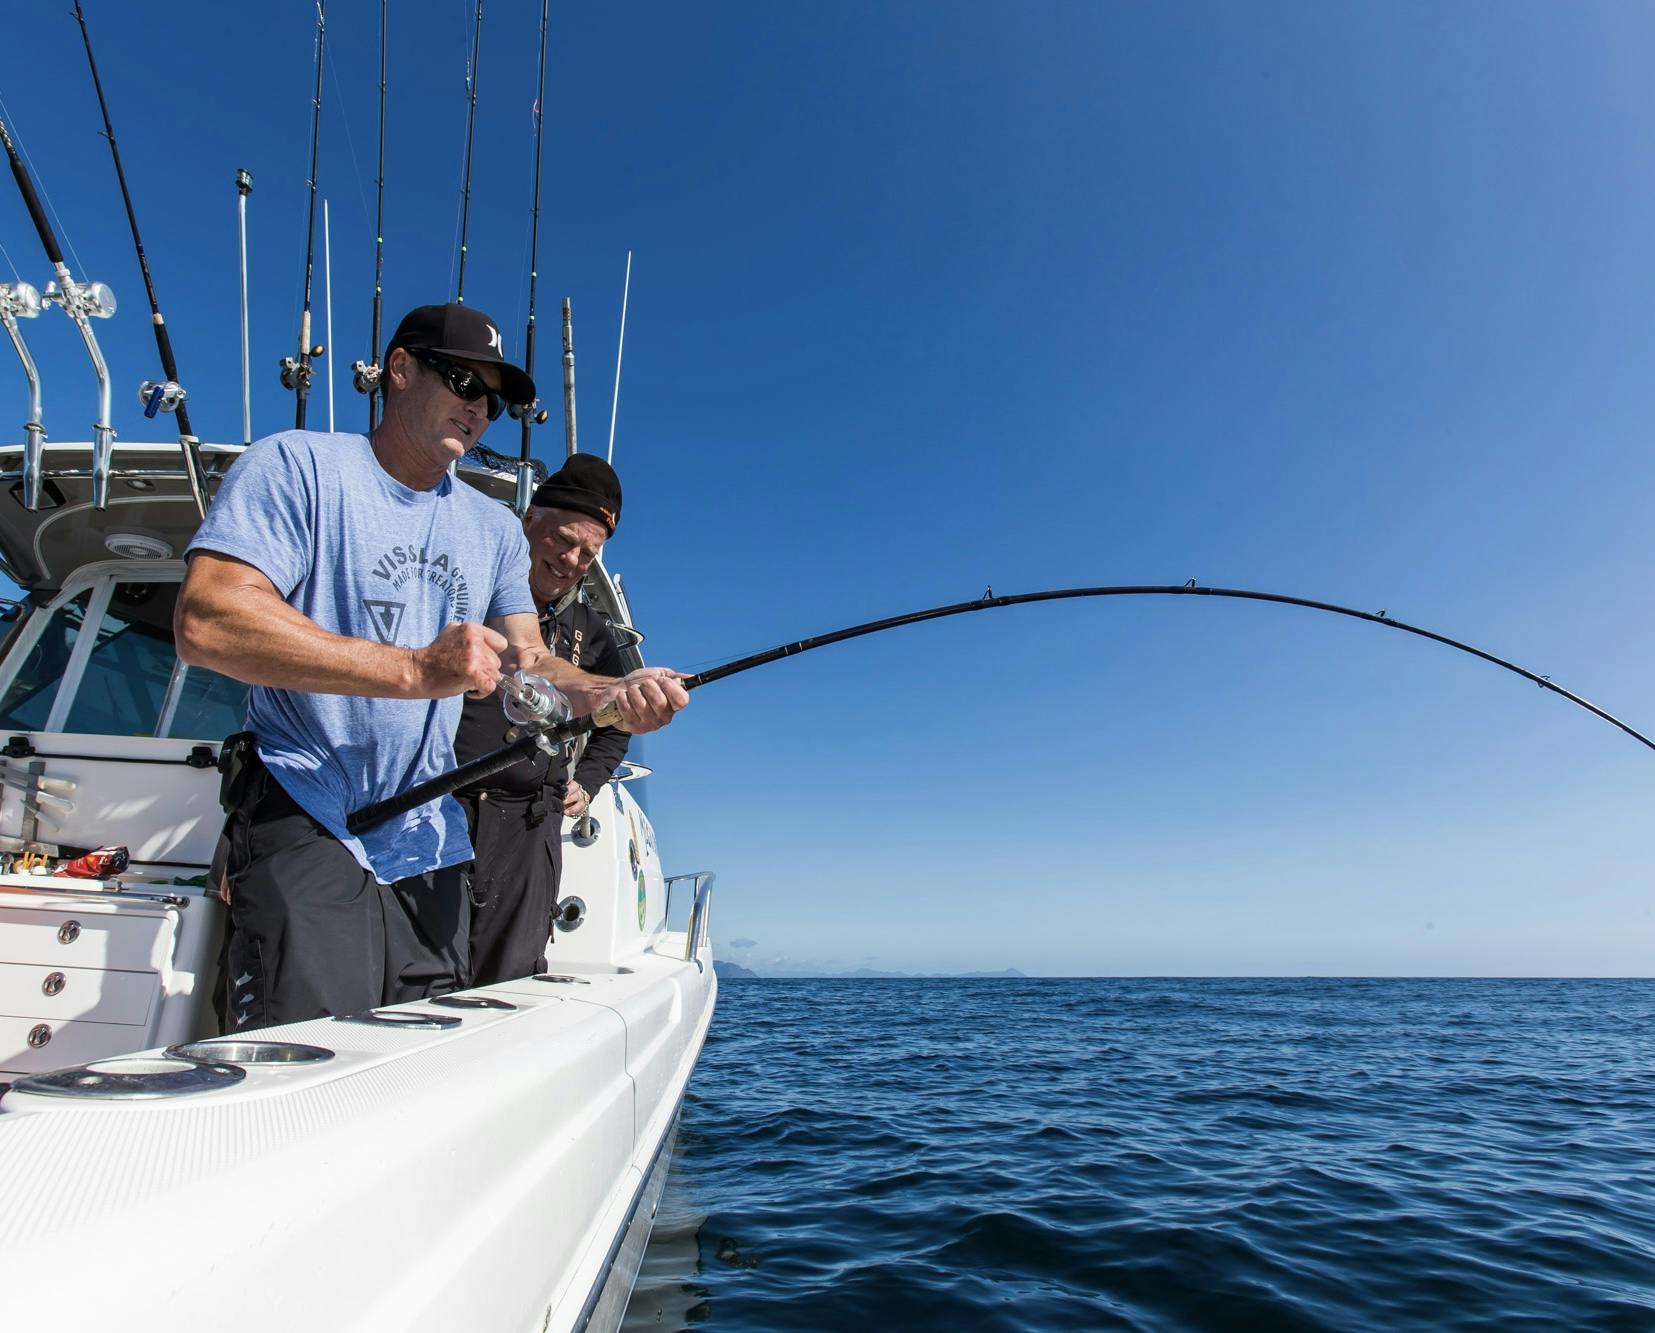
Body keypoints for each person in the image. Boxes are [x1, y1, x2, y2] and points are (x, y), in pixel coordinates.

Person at [175, 302, 688, 1030]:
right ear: (400, 368)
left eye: (492, 400)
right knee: (309, 1053)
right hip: (306, 804)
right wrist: (414, 670)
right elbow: (207, 620)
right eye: (462, 381)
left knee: (429, 1053)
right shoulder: (295, 465)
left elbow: (530, 661)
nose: (477, 408)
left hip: (427, 837)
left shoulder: (493, 530)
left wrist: (615, 689)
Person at [451, 455, 632, 984]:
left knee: (510, 979)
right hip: (441, 805)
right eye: (564, 540)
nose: (573, 561)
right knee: (422, 971)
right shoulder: (464, 586)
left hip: (531, 824)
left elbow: (615, 723)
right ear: (529, 520)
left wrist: (588, 782)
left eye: (588, 553)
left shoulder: (592, 631)